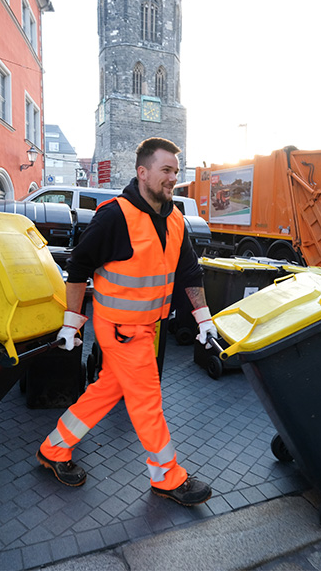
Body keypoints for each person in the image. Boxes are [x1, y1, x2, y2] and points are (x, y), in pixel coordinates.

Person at [37, 137, 218, 506]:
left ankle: (54, 447)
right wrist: (72, 322)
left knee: (108, 390)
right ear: (142, 172)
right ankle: (168, 477)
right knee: (148, 401)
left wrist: (204, 318)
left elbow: (191, 272)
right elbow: (78, 265)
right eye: (166, 170)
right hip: (120, 330)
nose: (173, 178)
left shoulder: (176, 220)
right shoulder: (115, 215)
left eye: (175, 172)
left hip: (147, 328)